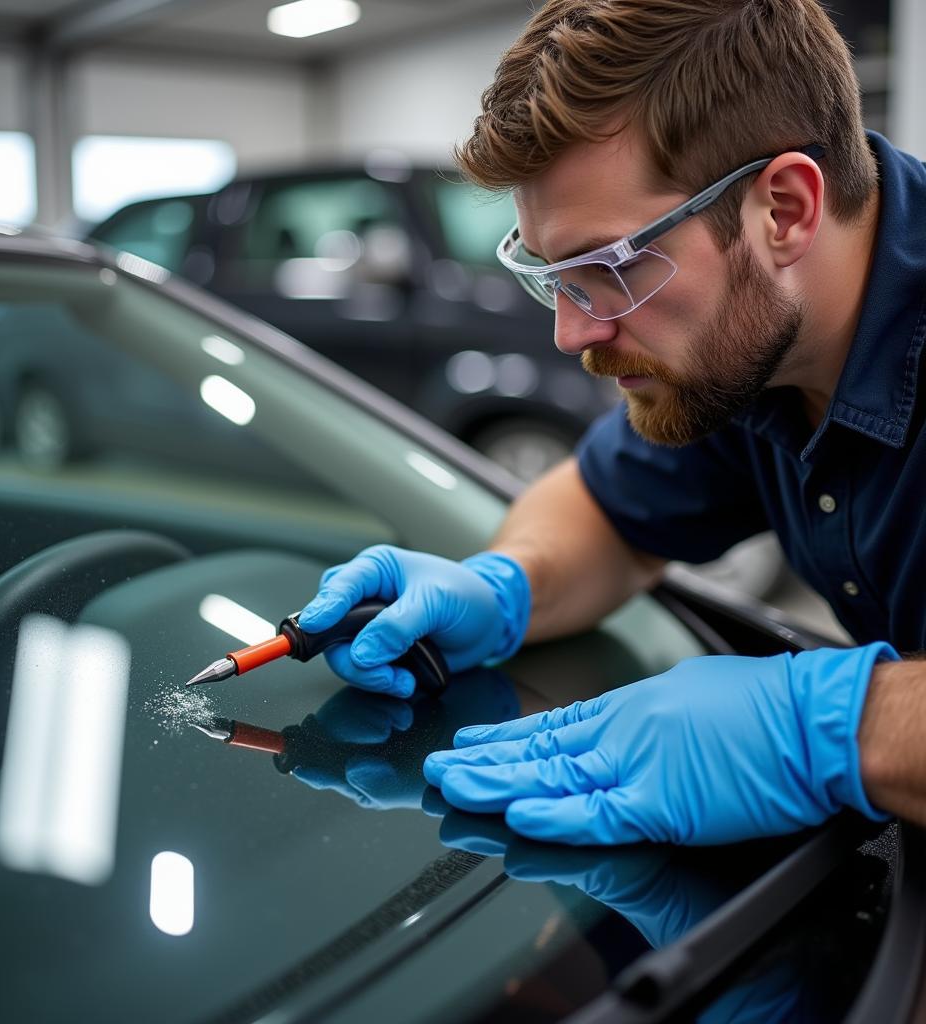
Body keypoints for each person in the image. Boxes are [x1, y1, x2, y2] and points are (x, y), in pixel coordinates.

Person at [298, 0, 926, 845]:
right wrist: (506, 584)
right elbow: (607, 510)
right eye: (550, 276)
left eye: (608, 269)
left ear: (783, 210)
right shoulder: (743, 341)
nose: (572, 332)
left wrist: (833, 729)